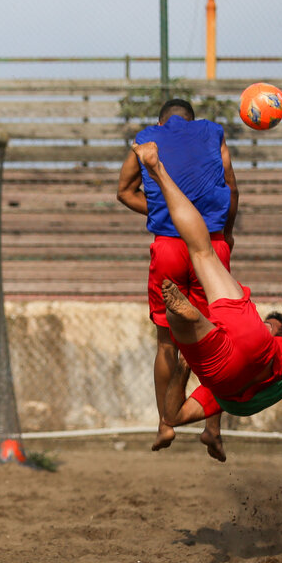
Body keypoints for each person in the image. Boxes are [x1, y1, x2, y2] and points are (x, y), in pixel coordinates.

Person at [130, 140, 282, 458]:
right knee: (185, 322)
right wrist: (185, 367)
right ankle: (185, 320)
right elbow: (175, 417)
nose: (270, 324)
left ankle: (157, 169)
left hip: (255, 346)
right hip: (225, 375)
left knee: (202, 251)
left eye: (271, 324)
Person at [117, 99, 239, 456]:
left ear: (161, 121)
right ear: (193, 119)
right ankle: (212, 429)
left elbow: (123, 192)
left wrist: (162, 210)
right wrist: (226, 234)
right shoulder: (213, 133)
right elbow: (231, 187)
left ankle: (165, 424)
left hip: (170, 247)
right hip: (212, 247)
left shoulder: (147, 138)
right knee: (216, 337)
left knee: (167, 342)